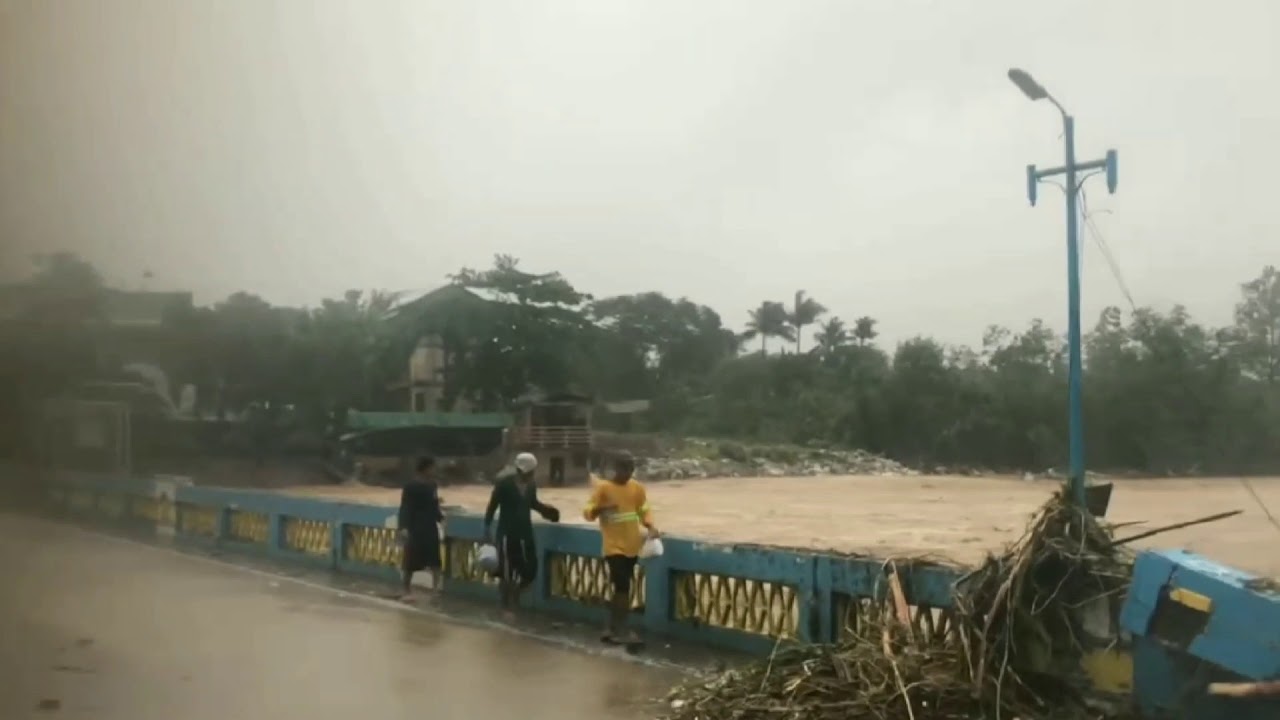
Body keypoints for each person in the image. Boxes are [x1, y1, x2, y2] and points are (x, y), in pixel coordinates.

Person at [583, 451, 659, 646]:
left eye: (631, 468)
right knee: (623, 587)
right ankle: (622, 629)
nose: (627, 473)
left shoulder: (637, 488)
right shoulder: (603, 488)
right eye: (624, 468)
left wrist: (650, 526)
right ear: (615, 468)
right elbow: (588, 511)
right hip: (613, 546)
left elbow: (643, 509)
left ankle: (611, 627)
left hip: (632, 546)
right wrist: (600, 509)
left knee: (621, 589)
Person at [483, 452, 561, 620]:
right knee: (507, 572)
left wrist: (546, 511)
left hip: (525, 533)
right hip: (506, 534)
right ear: (521, 470)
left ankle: (514, 599)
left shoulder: (531, 485)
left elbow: (532, 503)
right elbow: (492, 507)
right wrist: (486, 529)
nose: (531, 474)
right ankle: (506, 605)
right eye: (529, 471)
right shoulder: (504, 485)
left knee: (530, 569)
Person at [397, 456, 444, 602]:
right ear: (425, 468)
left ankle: (436, 589)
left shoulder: (432, 485)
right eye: (432, 467)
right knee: (410, 560)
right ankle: (406, 588)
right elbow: (405, 507)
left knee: (435, 560)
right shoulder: (410, 486)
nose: (434, 470)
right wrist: (403, 527)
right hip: (415, 527)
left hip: (430, 526)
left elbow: (434, 506)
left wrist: (441, 518)